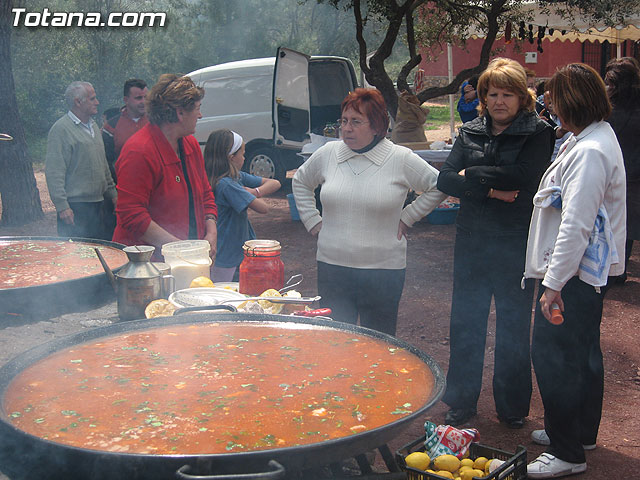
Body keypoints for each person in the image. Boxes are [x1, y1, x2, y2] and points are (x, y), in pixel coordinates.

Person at [436, 58, 555, 428]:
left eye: (507, 94)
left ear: (522, 97)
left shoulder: (538, 132)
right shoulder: (470, 130)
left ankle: (513, 406)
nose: (499, 101)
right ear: (483, 98)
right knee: (466, 322)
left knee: (513, 326)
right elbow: (444, 180)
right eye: (492, 94)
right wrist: (493, 189)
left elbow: (527, 175)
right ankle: (460, 399)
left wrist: (471, 175)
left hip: (515, 243)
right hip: (471, 240)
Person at [524, 63, 626, 479]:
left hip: (573, 276)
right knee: (582, 354)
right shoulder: (592, 137)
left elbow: (577, 224)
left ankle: (568, 452)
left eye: (554, 101)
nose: (550, 108)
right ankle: (577, 431)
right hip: (585, 276)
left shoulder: (588, 151)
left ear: (573, 102)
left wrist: (552, 285)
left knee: (554, 358)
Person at [292, 88, 446, 336]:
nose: (347, 128)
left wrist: (408, 216)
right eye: (343, 121)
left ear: (376, 126)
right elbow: (300, 181)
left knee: (379, 342)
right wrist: (312, 219)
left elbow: (438, 185)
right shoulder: (328, 154)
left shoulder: (399, 157)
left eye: (356, 122)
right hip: (333, 267)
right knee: (336, 342)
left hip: (383, 271)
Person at [113, 74, 217, 261]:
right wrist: (179, 249)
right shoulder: (139, 151)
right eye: (197, 109)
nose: (200, 115)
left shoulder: (190, 145)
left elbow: (205, 194)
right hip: (145, 266)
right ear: (180, 113)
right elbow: (132, 215)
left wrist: (211, 231)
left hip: (185, 257)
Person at [204, 129, 281, 282]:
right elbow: (263, 208)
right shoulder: (228, 185)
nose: (245, 158)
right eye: (243, 153)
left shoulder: (235, 177)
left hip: (232, 252)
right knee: (229, 292)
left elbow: (275, 183)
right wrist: (251, 194)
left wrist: (255, 191)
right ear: (231, 158)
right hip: (228, 255)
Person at [45, 81, 117, 240]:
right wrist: (62, 207)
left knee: (99, 253)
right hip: (75, 208)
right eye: (92, 99)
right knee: (76, 258)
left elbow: (103, 165)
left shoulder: (94, 128)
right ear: (78, 102)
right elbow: (54, 172)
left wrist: (113, 193)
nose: (97, 102)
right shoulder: (61, 130)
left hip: (98, 205)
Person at [604, 57, 640, 284]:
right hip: (634, 174)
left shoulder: (608, 109)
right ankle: (620, 268)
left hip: (616, 173)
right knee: (627, 224)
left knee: (615, 221)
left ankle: (616, 269)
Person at [102, 78, 149, 183]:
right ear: (126, 100)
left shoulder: (157, 121)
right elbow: (106, 163)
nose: (143, 102)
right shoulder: (110, 126)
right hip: (125, 186)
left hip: (156, 189)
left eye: (146, 97)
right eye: (138, 98)